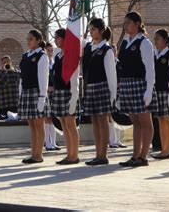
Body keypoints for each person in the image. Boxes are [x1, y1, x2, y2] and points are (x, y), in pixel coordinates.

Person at [118, 12, 157, 168]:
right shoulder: (126, 42)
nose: (126, 26)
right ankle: (135, 155)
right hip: (127, 85)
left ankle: (143, 156)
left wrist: (148, 90)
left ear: (137, 23)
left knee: (145, 122)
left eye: (128, 23)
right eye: (125, 23)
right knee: (135, 122)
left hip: (141, 84)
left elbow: (150, 68)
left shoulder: (144, 43)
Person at [82, 19, 117, 165]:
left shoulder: (107, 50)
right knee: (94, 121)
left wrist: (113, 94)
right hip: (90, 87)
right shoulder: (88, 48)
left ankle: (103, 155)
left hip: (103, 87)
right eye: (90, 30)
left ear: (101, 31)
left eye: (94, 30)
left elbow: (111, 74)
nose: (91, 32)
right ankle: (97, 153)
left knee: (103, 121)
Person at [18, 30, 50, 164]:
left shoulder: (42, 56)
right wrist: (20, 94)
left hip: (37, 92)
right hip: (26, 92)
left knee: (39, 125)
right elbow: (22, 77)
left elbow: (43, 78)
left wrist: (42, 97)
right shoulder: (25, 56)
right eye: (28, 39)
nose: (28, 41)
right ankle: (33, 153)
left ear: (38, 40)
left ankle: (39, 155)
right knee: (32, 125)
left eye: (31, 39)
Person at [52, 29, 80, 165]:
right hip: (59, 91)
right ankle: (69, 154)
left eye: (57, 37)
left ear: (64, 39)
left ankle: (74, 155)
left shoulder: (70, 54)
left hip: (69, 92)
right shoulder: (57, 55)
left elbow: (75, 78)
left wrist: (74, 97)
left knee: (71, 125)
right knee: (64, 125)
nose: (55, 40)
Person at [152, 29, 169, 160]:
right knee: (160, 120)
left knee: (168, 120)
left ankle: (168, 150)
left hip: (168, 92)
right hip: (157, 91)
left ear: (165, 40)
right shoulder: (155, 54)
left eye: (157, 38)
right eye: (154, 39)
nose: (155, 41)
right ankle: (163, 149)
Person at [109, 45, 127, 149]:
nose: (113, 52)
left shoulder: (120, 63)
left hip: (120, 92)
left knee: (119, 116)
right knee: (111, 117)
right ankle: (112, 140)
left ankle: (118, 140)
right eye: (111, 50)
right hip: (111, 92)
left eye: (115, 50)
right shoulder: (107, 63)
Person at [44, 42, 60, 151]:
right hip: (46, 91)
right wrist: (47, 88)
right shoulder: (43, 62)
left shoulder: (54, 63)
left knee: (53, 117)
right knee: (47, 118)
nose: (50, 53)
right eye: (48, 51)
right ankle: (47, 142)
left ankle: (53, 142)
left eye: (51, 51)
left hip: (54, 92)